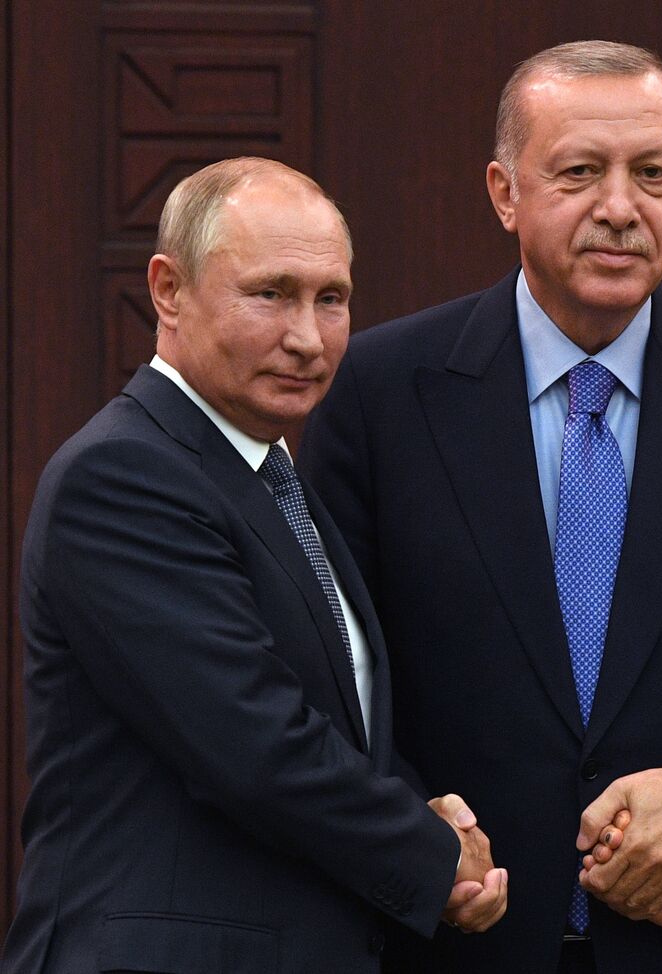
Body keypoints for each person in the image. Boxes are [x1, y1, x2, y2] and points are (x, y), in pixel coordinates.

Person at [298, 40, 662, 973]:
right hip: (452, 943)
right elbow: (329, 670)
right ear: (505, 193)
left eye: (653, 174)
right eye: (579, 172)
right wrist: (412, 829)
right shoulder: (379, 392)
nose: (620, 207)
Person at [1, 158, 508, 974]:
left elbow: (336, 727)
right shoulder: (123, 476)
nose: (307, 338)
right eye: (270, 294)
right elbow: (255, 744)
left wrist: (425, 812)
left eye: (331, 298)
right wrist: (433, 854)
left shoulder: (269, 476)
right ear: (168, 290)